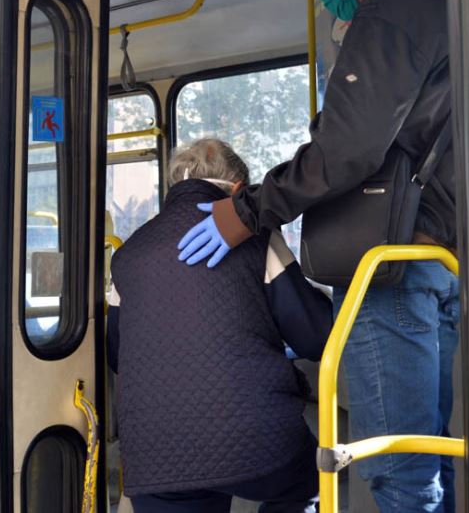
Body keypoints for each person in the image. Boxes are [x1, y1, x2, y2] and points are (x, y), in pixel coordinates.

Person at [176, 0, 458, 513]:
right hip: (434, 251)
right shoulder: (442, 5)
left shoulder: (388, 15)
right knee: (433, 453)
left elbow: (345, 151)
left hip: (389, 269)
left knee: (397, 468)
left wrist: (245, 212)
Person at [108, 139, 332, 513]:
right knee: (311, 482)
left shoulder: (129, 253)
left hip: (153, 453)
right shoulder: (255, 236)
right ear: (240, 190)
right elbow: (314, 336)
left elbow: (117, 351)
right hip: (255, 441)